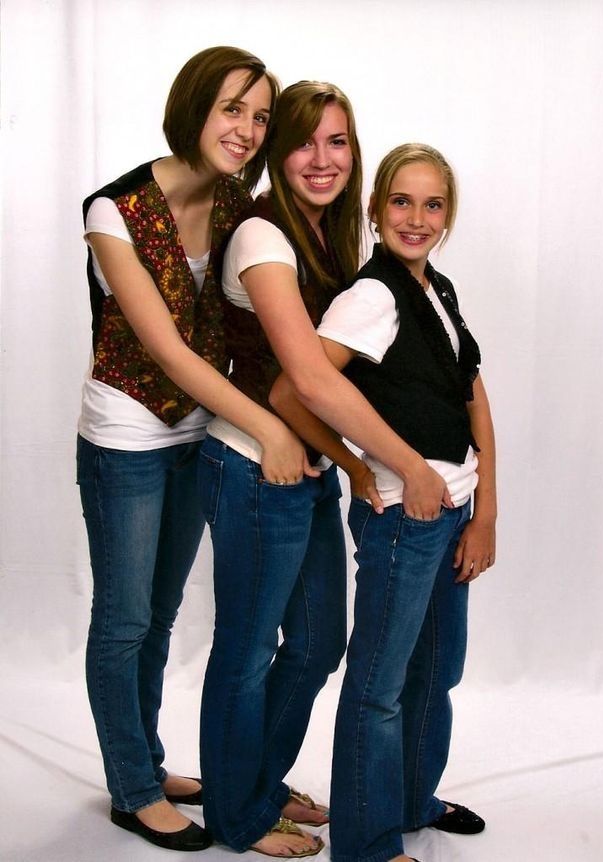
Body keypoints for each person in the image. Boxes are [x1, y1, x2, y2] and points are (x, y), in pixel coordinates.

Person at [77, 46, 309, 852]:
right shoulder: (114, 210)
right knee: (124, 619)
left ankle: (144, 755)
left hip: (196, 436)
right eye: (231, 109)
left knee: (164, 614)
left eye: (259, 116)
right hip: (128, 436)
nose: (247, 130)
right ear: (193, 107)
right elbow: (171, 353)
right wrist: (272, 425)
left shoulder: (241, 199)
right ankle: (132, 788)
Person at [270, 143, 497, 862]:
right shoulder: (371, 296)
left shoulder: (438, 288)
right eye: (401, 201)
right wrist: (358, 469)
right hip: (406, 518)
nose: (416, 217)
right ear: (374, 210)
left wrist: (485, 510)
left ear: (447, 216)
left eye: (432, 204)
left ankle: (408, 802)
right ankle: (365, 843)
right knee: (379, 685)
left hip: (453, 512)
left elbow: (471, 396)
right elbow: (291, 390)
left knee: (437, 673)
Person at [197, 80, 377, 859]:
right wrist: (369, 465)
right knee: (245, 654)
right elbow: (305, 378)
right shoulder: (263, 235)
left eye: (336, 141)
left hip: (303, 471)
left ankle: (259, 784)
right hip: (249, 468)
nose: (321, 158)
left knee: (315, 646)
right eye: (303, 140)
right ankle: (235, 817)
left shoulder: (329, 237)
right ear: (276, 151)